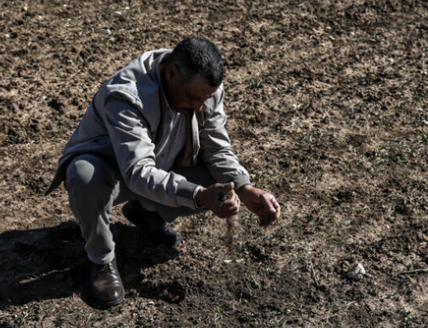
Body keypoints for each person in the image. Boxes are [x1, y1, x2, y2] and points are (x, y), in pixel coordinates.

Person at [45, 36, 281, 307]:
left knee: (222, 186)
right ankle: (102, 260)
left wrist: (243, 187)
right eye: (195, 98)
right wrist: (198, 194)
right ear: (171, 73)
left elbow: (216, 148)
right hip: (116, 170)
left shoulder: (201, 87)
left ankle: (145, 211)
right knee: (83, 175)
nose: (199, 107)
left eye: (206, 99)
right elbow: (138, 171)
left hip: (160, 162)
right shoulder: (125, 95)